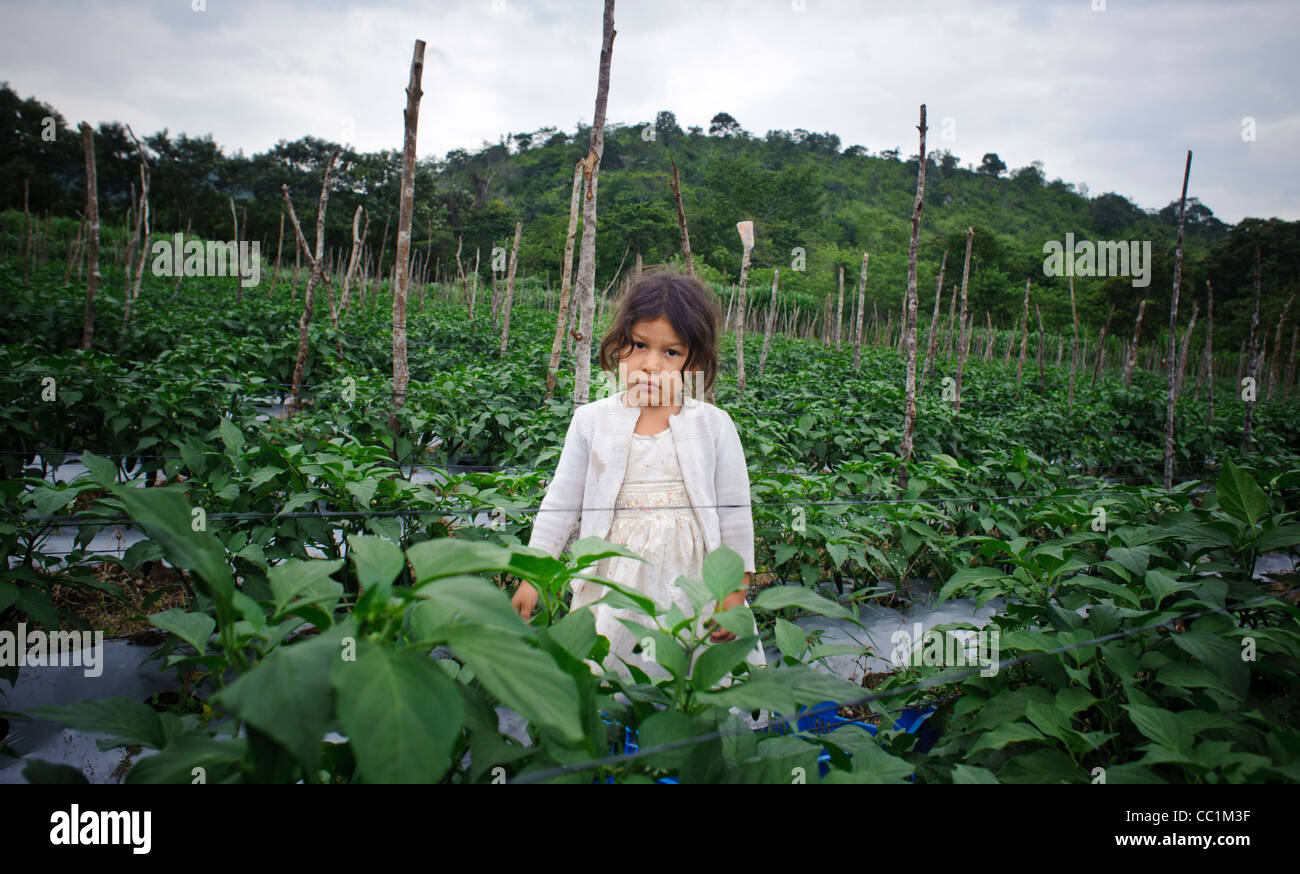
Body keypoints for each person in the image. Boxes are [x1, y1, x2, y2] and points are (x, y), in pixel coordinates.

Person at [511, 267, 768, 697]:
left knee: (698, 685)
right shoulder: (592, 421)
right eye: (640, 345)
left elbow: (736, 518)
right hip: (612, 578)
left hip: (694, 583)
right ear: (619, 345)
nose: (651, 363)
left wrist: (733, 598)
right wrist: (531, 576)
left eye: (671, 352)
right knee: (609, 676)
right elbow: (560, 505)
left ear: (696, 361)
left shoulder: (714, 426)